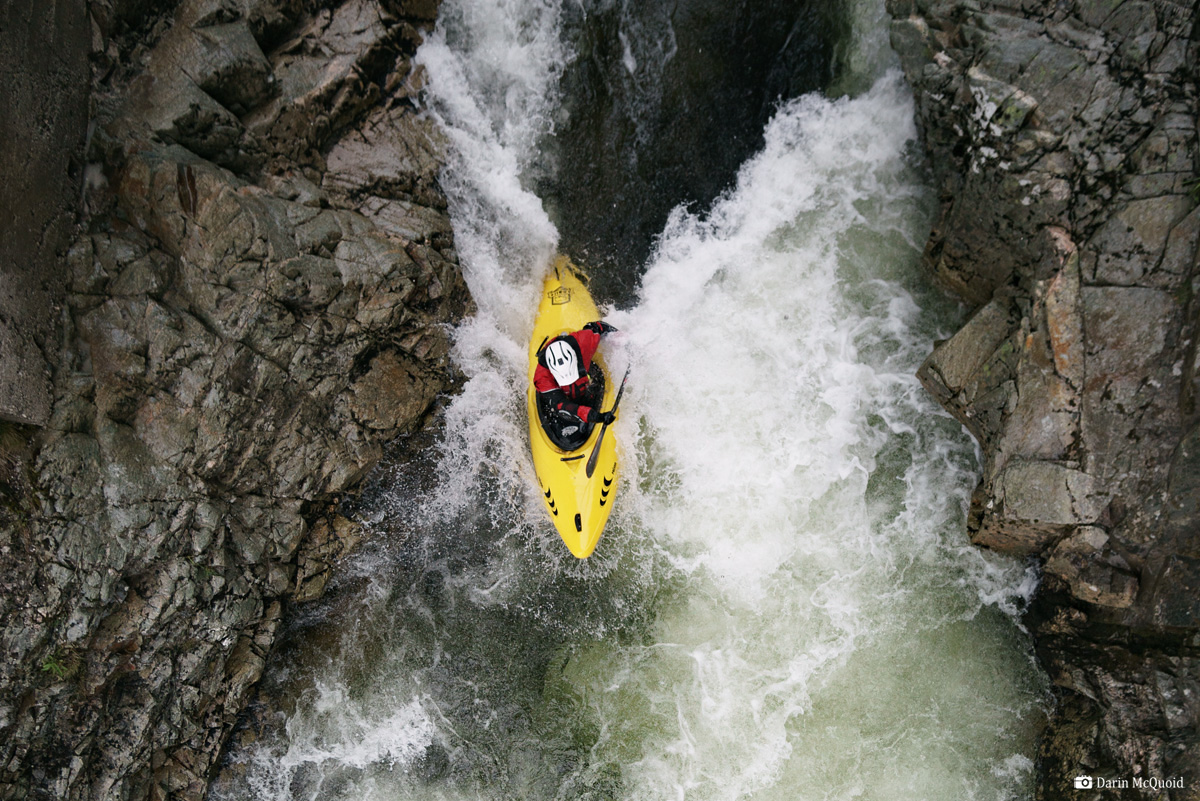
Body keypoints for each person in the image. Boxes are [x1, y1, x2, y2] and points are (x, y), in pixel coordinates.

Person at [534, 321, 618, 439]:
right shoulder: (542, 378)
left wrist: (619, 337)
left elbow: (598, 327)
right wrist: (597, 417)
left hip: (582, 384)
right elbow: (564, 406)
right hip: (564, 397)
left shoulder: (583, 343)